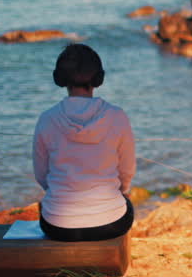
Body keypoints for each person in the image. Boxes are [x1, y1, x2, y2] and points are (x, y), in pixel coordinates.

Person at [33, 43, 136, 241]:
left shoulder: (47, 118)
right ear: (99, 78)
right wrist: (116, 193)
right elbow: (127, 171)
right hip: (111, 223)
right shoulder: (117, 116)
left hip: (57, 225)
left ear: (60, 78)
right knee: (126, 204)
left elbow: (41, 175)